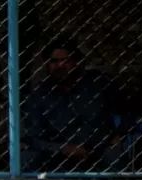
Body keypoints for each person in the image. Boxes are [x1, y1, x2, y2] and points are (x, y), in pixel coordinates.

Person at [23, 36, 125, 172]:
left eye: (65, 60)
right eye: (54, 61)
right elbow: (33, 138)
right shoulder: (40, 96)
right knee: (28, 157)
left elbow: (127, 111)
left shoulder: (97, 84)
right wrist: (63, 148)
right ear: (47, 65)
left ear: (76, 62)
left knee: (115, 155)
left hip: (100, 149)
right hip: (59, 156)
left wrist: (118, 134)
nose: (60, 65)